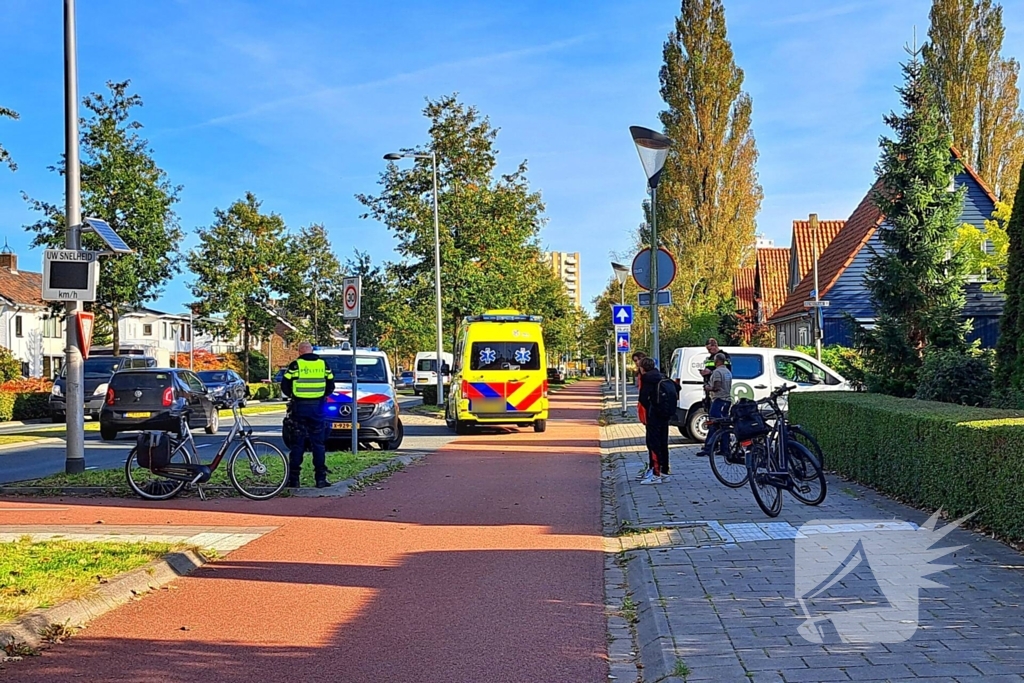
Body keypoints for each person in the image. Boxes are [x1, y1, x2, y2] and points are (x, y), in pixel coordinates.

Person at [281, 341, 336, 488]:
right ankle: (320, 479)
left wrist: (294, 395)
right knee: (318, 444)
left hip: (299, 409)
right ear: (311, 350)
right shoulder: (323, 364)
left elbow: (284, 385)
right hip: (318, 408)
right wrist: (321, 396)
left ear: (300, 352)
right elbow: (331, 385)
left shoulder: (295, 365)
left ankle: (294, 480)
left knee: (297, 444)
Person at [638, 357, 671, 485]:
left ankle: (656, 474)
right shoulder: (662, 376)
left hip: (654, 415)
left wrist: (650, 407)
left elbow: (643, 398)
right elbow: (676, 388)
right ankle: (665, 472)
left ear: (642, 368)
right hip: (665, 414)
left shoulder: (647, 379)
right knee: (663, 443)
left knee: (653, 443)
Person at [698, 353, 733, 458]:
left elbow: (716, 387)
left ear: (717, 361)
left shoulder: (717, 372)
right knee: (724, 425)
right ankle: (725, 449)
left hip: (719, 400)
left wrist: (708, 387)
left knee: (713, 424)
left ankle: (709, 448)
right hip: (727, 400)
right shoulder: (727, 372)